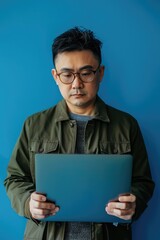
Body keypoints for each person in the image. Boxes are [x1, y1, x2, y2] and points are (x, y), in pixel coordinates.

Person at [4, 27, 154, 240]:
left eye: (85, 73)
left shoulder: (126, 125)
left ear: (100, 73)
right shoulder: (34, 125)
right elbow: (14, 178)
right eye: (67, 74)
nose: (76, 84)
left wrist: (134, 204)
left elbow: (143, 182)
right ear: (55, 76)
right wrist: (28, 203)